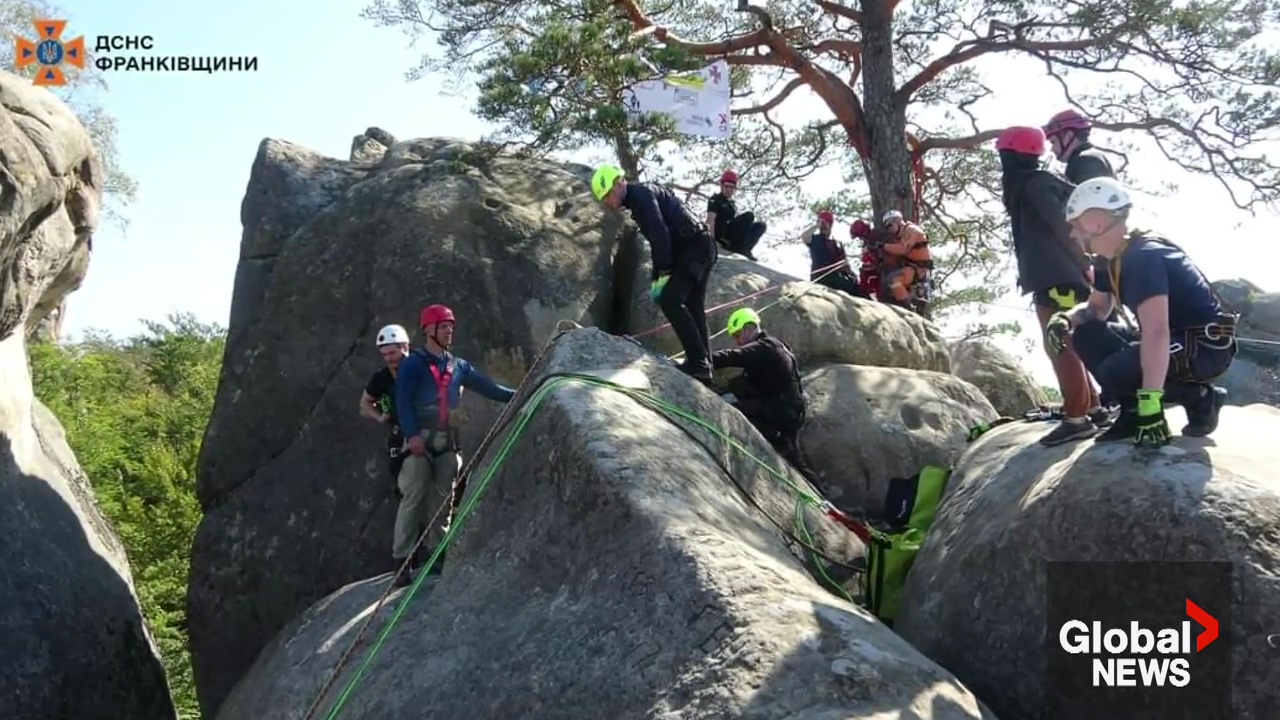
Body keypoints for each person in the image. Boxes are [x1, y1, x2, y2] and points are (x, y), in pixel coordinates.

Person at [1046, 178, 1236, 446]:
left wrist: (1151, 403)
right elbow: (1096, 309)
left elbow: (1157, 332)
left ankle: (1198, 397)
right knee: (1086, 335)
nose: (1072, 235)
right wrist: (1065, 318)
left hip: (1204, 347)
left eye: (1075, 226)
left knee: (1117, 371)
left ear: (1094, 224)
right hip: (1175, 340)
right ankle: (1131, 413)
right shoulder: (1109, 259)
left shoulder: (1143, 257)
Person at [997, 125, 1112, 446]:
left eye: (1004, 154)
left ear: (1013, 155)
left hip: (1058, 276)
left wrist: (1086, 264)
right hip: (1059, 274)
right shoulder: (1037, 182)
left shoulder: (1033, 184)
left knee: (1059, 343)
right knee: (1068, 342)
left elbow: (1064, 227)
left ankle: (1077, 418)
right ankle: (1093, 407)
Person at [391, 304, 517, 587]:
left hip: (448, 441)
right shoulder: (412, 364)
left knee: (444, 501)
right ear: (429, 330)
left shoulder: (458, 366)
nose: (450, 331)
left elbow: (489, 388)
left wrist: (520, 393)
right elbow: (403, 402)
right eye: (444, 326)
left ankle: (438, 554)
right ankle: (402, 561)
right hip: (419, 440)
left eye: (451, 326)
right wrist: (411, 436)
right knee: (413, 498)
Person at [593, 164, 718, 386]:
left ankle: (699, 362)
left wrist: (662, 273)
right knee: (693, 305)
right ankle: (704, 365)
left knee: (670, 299)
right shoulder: (640, 198)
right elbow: (660, 237)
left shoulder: (641, 196)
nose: (607, 203)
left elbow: (660, 234)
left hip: (694, 248)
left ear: (618, 183)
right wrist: (658, 275)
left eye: (606, 196)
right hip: (699, 246)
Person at [712, 308, 814, 478]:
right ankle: (820, 495)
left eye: (738, 335)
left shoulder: (766, 348)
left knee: (732, 410)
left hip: (782, 412)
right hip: (786, 410)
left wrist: (699, 359)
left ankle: (771, 433)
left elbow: (731, 356)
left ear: (749, 328)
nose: (737, 341)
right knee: (794, 460)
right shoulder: (773, 346)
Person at [359, 324, 411, 496]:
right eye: (385, 355)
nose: (389, 359)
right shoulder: (381, 379)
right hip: (399, 435)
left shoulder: (420, 368)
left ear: (405, 347)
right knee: (400, 485)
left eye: (392, 353)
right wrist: (380, 417)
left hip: (426, 430)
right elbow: (364, 404)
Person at [705, 169, 765, 261]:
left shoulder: (732, 204)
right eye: (726, 186)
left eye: (732, 187)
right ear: (721, 185)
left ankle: (745, 249)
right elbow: (710, 219)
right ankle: (740, 248)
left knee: (760, 225)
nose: (729, 189)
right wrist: (710, 241)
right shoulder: (715, 200)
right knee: (749, 216)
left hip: (732, 235)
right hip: (722, 235)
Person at [1043, 109, 1115, 184]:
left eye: (1053, 142)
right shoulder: (1094, 157)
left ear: (1068, 136)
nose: (1052, 149)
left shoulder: (1085, 161)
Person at [879, 210, 932, 309]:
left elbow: (903, 249)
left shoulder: (911, 230)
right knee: (887, 282)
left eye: (889, 225)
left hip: (919, 269)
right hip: (911, 268)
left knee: (893, 280)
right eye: (886, 227)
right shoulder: (901, 237)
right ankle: (911, 300)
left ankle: (909, 308)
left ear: (898, 221)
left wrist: (884, 246)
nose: (889, 229)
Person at [806, 210, 865, 298]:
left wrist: (852, 274)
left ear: (831, 225)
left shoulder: (837, 244)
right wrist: (817, 225)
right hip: (820, 278)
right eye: (822, 224)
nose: (824, 227)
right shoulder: (815, 239)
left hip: (836, 278)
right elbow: (804, 237)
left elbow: (844, 264)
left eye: (827, 224)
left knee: (858, 288)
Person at [852, 219, 882, 300]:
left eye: (860, 236)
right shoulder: (867, 241)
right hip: (872, 272)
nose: (860, 239)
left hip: (879, 272)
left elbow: (877, 259)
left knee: (865, 279)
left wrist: (869, 251)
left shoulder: (874, 239)